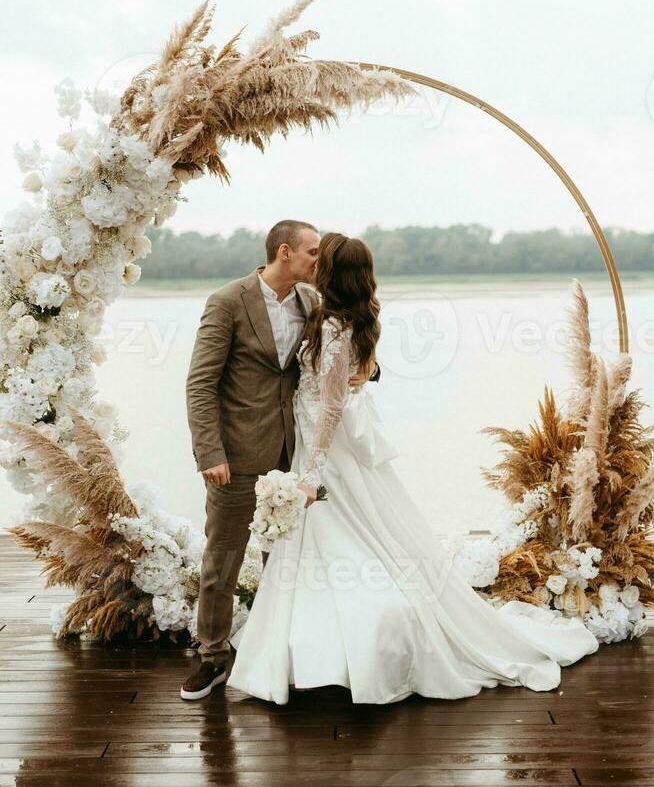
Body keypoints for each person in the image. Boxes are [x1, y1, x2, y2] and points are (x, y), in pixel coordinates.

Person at [226, 232, 600, 705]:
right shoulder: (331, 317)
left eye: (323, 258)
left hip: (327, 452)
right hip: (313, 445)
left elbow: (332, 408)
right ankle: (308, 656)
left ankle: (335, 655)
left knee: (346, 536)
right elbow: (343, 382)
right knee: (321, 546)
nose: (314, 261)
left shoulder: (335, 329)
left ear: (332, 274)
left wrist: (310, 475)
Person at [181, 220, 379, 700]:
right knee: (222, 560)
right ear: (284, 251)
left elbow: (335, 365)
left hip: (295, 455)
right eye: (313, 252)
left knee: (285, 563)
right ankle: (213, 656)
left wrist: (366, 370)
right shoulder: (228, 302)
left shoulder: (313, 304)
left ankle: (277, 656)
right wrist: (210, 452)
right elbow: (200, 384)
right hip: (236, 455)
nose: (320, 260)